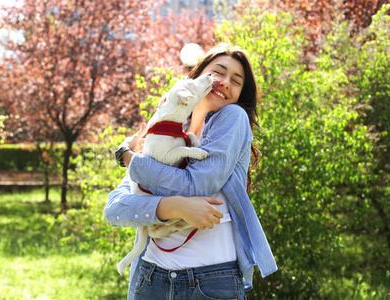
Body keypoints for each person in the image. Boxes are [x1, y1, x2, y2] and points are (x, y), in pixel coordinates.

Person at [104, 43, 278, 300]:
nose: (225, 82)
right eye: (218, 71)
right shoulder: (167, 127)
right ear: (198, 74)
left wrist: (130, 158)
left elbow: (197, 185)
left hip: (211, 282)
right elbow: (115, 209)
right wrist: (174, 207)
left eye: (236, 81)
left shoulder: (232, 118)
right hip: (150, 277)